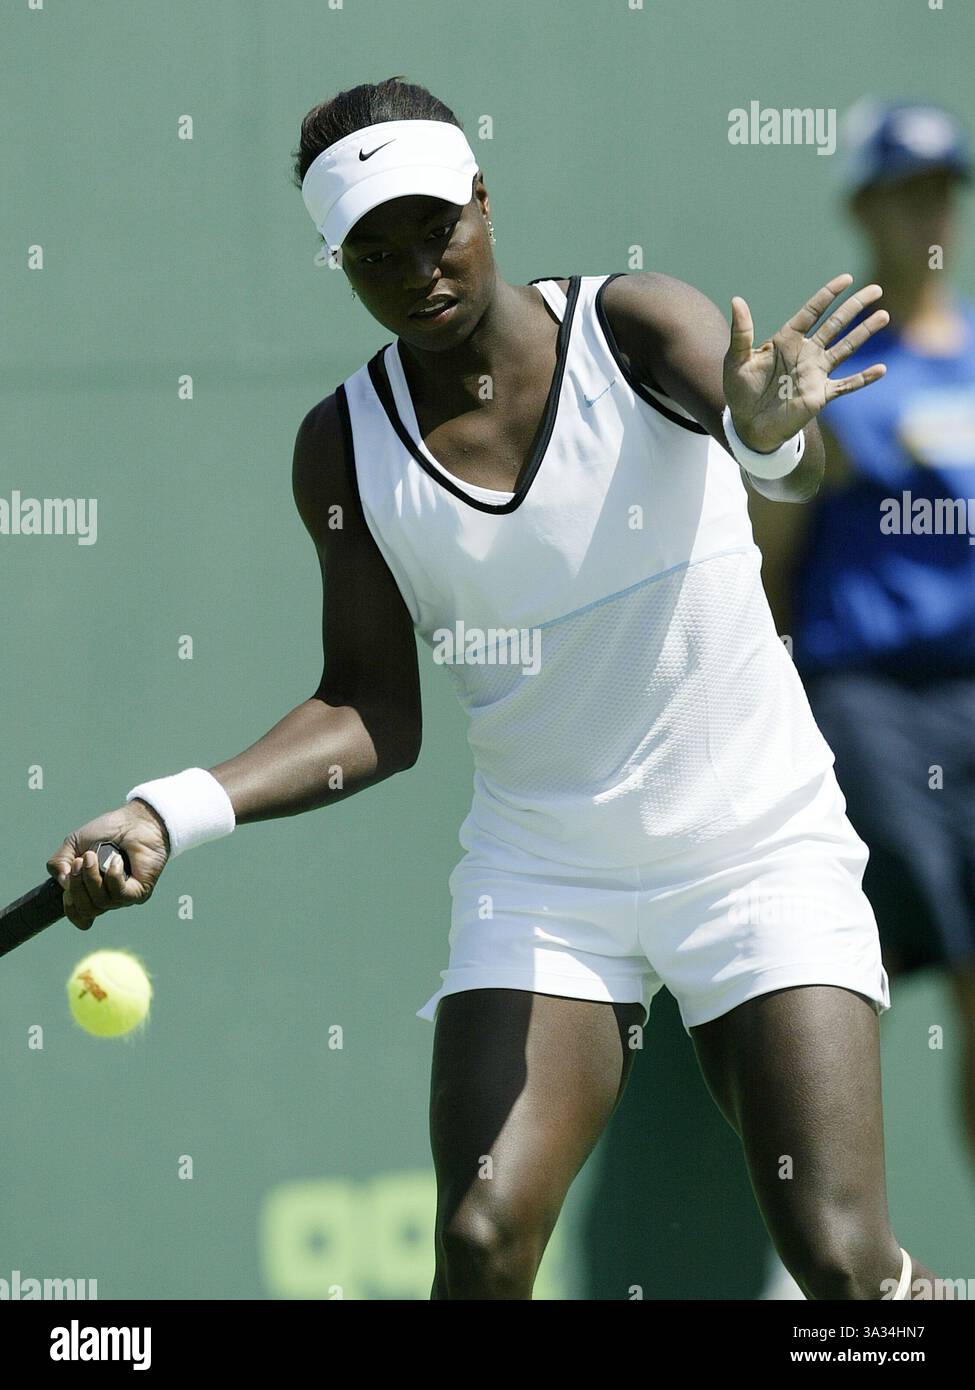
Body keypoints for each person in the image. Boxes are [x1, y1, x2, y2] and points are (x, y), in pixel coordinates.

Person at [46, 76, 946, 1301]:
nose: (417, 266)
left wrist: (771, 431)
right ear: (339, 264)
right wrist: (168, 811)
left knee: (841, 1271)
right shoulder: (344, 446)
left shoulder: (634, 326)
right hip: (549, 883)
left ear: (484, 198)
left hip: (757, 849)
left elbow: (773, 462)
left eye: (434, 226)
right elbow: (371, 710)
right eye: (373, 251)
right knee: (478, 1238)